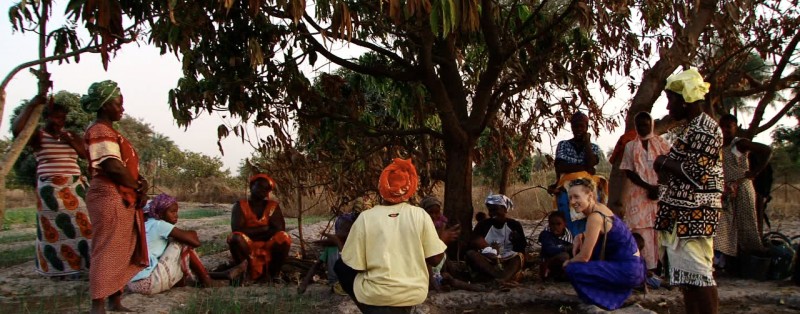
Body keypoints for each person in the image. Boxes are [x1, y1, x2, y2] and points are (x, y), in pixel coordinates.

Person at [335, 158, 448, 313]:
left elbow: (352, 263)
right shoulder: (420, 215)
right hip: (412, 293)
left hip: (375, 295)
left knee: (341, 266)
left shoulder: (366, 217)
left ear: (382, 188)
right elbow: (435, 260)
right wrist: (443, 239)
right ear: (410, 189)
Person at [653, 68, 723, 314]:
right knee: (690, 282)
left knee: (700, 277)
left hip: (695, 214)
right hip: (683, 216)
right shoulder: (693, 128)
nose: (669, 107)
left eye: (671, 100)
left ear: (685, 99)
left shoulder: (705, 129)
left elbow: (695, 173)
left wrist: (663, 162)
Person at [81, 80, 150, 314]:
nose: (122, 108)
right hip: (109, 195)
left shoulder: (109, 131)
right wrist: (137, 187)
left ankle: (114, 300)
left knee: (120, 248)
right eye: (118, 104)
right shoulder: (100, 131)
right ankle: (98, 305)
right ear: (104, 105)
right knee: (108, 247)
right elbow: (112, 165)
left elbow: (122, 166)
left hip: (119, 195)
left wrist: (139, 183)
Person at [12, 94, 91, 278]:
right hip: (50, 192)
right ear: (47, 116)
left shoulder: (71, 135)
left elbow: (85, 155)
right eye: (56, 117)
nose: (59, 121)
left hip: (74, 189)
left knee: (83, 227)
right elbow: (18, 131)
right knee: (53, 230)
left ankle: (83, 267)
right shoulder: (38, 135)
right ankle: (58, 270)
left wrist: (71, 140)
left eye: (62, 118)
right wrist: (33, 104)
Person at [127, 194, 246, 294]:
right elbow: (195, 242)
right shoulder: (159, 225)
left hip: (133, 283)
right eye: (172, 212)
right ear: (161, 213)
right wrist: (191, 233)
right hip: (147, 283)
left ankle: (217, 275)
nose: (176, 215)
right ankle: (207, 280)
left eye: (177, 212)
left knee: (178, 251)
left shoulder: (148, 224)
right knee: (182, 242)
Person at [563, 178, 644, 310]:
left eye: (576, 197)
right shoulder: (601, 208)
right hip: (633, 268)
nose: (572, 202)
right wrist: (581, 235)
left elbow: (584, 257)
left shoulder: (594, 217)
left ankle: (606, 300)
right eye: (570, 198)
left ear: (590, 196)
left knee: (573, 268)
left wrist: (568, 262)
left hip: (628, 271)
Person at [714, 114, 772, 263]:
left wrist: (756, 172)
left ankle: (752, 255)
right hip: (726, 190)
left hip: (742, 187)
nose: (725, 129)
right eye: (722, 126)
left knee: (746, 223)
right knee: (724, 224)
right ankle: (727, 258)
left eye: (729, 126)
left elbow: (767, 151)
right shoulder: (718, 145)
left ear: (736, 127)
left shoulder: (739, 144)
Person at [620, 111, 671, 272]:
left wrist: (658, 188)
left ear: (651, 124)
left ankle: (662, 266)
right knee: (641, 230)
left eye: (645, 124)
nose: (642, 127)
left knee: (660, 230)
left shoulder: (662, 144)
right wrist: (648, 187)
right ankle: (646, 268)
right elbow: (629, 171)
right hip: (638, 194)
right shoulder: (630, 146)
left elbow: (670, 167)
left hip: (660, 192)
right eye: (639, 125)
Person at [227, 173, 292, 283]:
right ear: (251, 186)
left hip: (268, 244)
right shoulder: (240, 206)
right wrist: (265, 229)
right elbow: (237, 231)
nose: (262, 190)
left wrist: (250, 232)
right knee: (235, 238)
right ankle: (245, 274)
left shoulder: (273, 206)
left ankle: (274, 274)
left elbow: (279, 230)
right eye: (259, 186)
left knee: (284, 237)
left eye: (266, 189)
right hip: (246, 245)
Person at [550, 111, 606, 235]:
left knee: (589, 217)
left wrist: (587, 142)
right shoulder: (563, 145)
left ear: (587, 127)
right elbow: (560, 166)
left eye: (582, 126)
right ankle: (572, 245)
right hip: (566, 188)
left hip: (588, 189)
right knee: (568, 219)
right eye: (575, 126)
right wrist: (584, 168)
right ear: (571, 127)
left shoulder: (593, 147)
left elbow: (591, 162)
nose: (578, 129)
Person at [466, 194, 526, 287]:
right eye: (490, 210)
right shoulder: (483, 225)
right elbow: (473, 244)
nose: (492, 213)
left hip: (507, 260)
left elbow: (521, 249)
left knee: (519, 257)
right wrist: (490, 250)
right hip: (488, 262)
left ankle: (499, 279)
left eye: (495, 209)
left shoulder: (514, 225)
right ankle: (502, 278)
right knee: (471, 254)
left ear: (505, 210)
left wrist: (516, 240)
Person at [298, 211, 358, 295]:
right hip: (336, 283)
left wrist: (337, 242)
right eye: (345, 230)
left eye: (349, 230)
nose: (348, 233)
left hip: (350, 283)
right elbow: (316, 265)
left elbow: (350, 264)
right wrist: (304, 283)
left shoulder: (354, 246)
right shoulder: (331, 248)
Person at [538, 211, 573, 281]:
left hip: (562, 266)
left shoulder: (568, 236)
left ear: (564, 224)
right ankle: (547, 272)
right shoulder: (546, 235)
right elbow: (550, 250)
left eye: (558, 224)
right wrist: (567, 248)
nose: (555, 227)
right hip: (548, 263)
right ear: (549, 224)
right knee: (564, 256)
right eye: (552, 224)